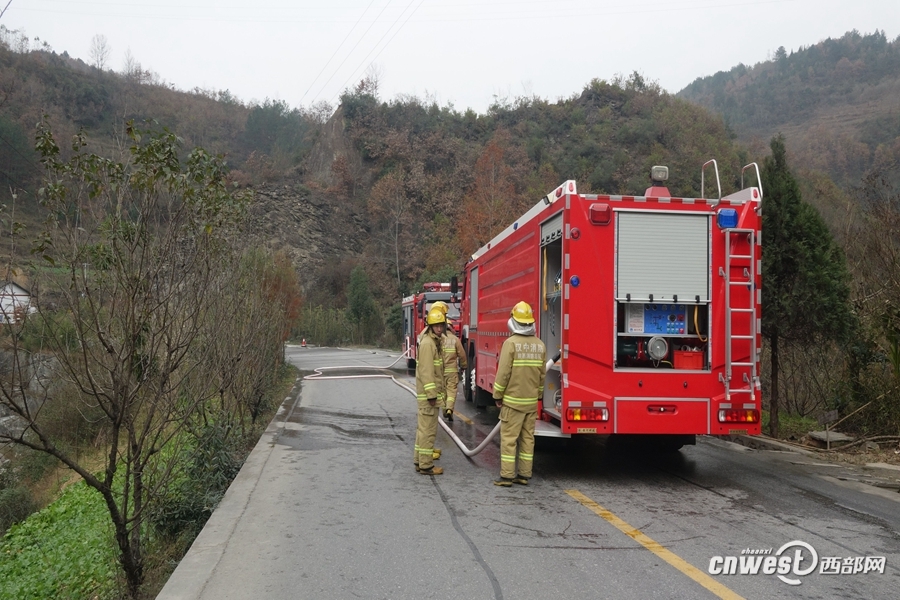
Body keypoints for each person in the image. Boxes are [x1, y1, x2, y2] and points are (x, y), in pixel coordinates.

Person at [492, 301, 546, 487]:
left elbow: (503, 372)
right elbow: (541, 375)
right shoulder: (540, 345)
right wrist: (538, 395)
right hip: (531, 403)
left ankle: (507, 476)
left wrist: (497, 395)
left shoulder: (510, 344)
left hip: (513, 403)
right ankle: (524, 474)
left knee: (509, 440)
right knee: (527, 439)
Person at [414, 306, 447, 475]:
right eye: (437, 326)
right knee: (428, 430)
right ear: (430, 326)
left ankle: (419, 460)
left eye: (441, 325)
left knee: (423, 429)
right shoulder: (428, 344)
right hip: (428, 398)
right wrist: (432, 395)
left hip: (427, 397)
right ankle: (426, 465)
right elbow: (427, 372)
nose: (439, 328)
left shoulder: (432, 341)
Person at [441, 318, 467, 422]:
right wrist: (464, 366)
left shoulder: (438, 339)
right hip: (452, 371)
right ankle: (449, 409)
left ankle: (444, 411)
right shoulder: (455, 339)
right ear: (451, 328)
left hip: (441, 371)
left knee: (443, 392)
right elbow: (462, 355)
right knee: (451, 391)